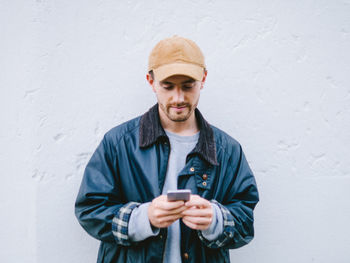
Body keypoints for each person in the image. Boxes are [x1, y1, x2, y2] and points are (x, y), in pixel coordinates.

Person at [75, 35, 259, 263]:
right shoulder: (117, 143)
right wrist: (144, 217)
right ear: (150, 81)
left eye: (188, 86)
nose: (178, 98)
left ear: (203, 79)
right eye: (168, 86)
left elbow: (245, 220)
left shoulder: (227, 150)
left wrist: (215, 220)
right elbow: (90, 210)